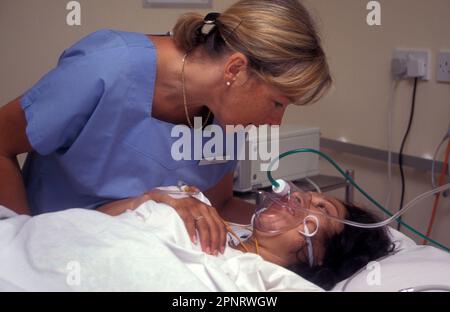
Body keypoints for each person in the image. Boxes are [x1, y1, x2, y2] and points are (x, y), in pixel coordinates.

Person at [0, 0, 332, 256]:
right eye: (277, 102)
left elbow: (218, 206)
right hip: (55, 251)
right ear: (236, 69)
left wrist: (302, 227)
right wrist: (23, 242)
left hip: (136, 258)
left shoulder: (224, 120)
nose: (275, 123)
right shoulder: (107, 68)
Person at [97, 188, 394, 290]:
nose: (301, 196)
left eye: (320, 208)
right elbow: (93, 219)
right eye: (311, 195)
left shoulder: (269, 282)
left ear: (322, 254)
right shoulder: (199, 206)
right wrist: (153, 198)